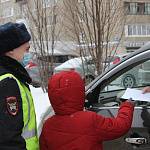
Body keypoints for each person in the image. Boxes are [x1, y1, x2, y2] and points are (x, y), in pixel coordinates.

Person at [40, 70, 135, 150]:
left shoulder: (48, 125)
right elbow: (120, 127)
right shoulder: (90, 120)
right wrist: (127, 106)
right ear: (79, 94)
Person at [0, 22, 39, 150]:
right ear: (11, 50)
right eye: (26, 49)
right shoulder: (8, 81)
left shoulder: (12, 74)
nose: (28, 52)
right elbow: (9, 137)